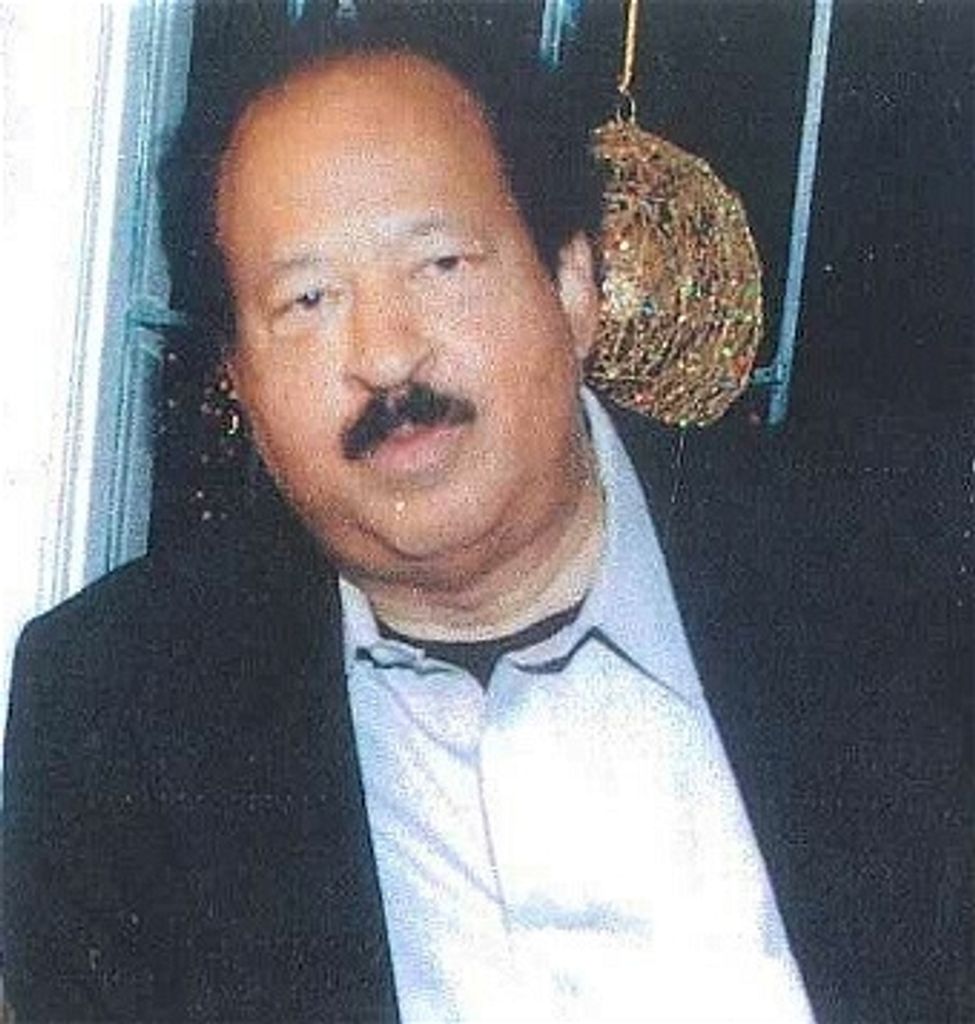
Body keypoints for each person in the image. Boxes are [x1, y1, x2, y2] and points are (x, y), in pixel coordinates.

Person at [3, 19, 968, 1024]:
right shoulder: (120, 712)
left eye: (442, 264)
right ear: (239, 382)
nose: (386, 354)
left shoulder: (898, 577)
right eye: (308, 298)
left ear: (575, 286)